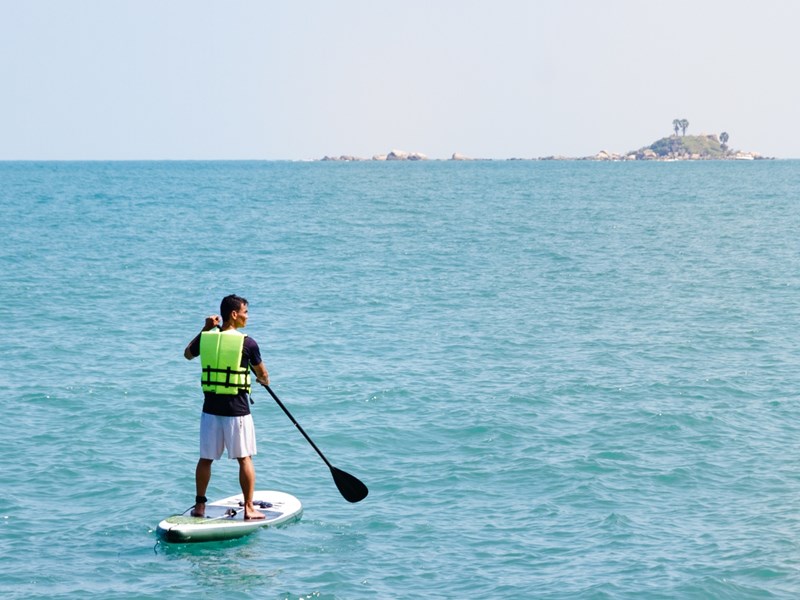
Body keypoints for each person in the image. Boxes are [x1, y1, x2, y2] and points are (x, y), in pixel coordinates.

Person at [183, 294, 269, 520]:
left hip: (210, 411)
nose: (247, 317)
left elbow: (187, 354)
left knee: (205, 459)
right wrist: (262, 380)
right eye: (245, 312)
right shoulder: (247, 343)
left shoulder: (206, 338)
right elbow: (263, 375)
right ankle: (249, 508)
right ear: (234, 314)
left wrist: (204, 329)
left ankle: (200, 506)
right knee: (245, 458)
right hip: (237, 411)